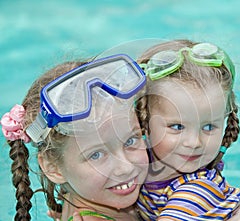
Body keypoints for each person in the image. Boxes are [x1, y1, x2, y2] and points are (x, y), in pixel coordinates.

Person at [0, 54, 149, 221]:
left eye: (130, 141)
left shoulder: (87, 194)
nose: (126, 167)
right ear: (53, 167)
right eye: (96, 154)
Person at [135, 39, 240, 220]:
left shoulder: (198, 190)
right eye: (177, 127)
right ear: (144, 119)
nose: (194, 142)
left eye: (208, 127)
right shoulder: (140, 162)